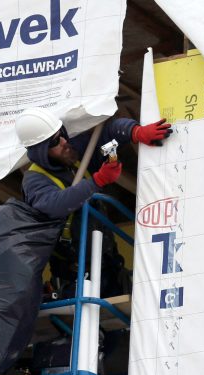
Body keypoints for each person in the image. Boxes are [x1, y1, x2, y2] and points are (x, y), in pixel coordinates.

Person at [14, 107, 173, 297]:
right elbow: (53, 205)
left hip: (108, 264)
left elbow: (110, 133)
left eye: (61, 134)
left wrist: (135, 132)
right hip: (75, 276)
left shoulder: (74, 153)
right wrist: (97, 181)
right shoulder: (34, 180)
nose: (64, 142)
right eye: (55, 141)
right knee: (92, 321)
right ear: (40, 151)